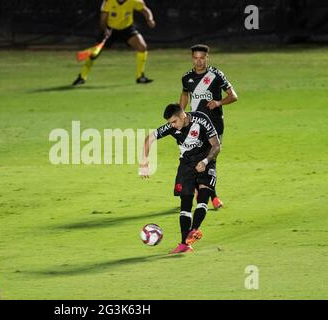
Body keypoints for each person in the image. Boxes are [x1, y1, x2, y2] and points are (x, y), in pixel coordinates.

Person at [140, 103, 221, 253]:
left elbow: (216, 145)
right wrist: (144, 161)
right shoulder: (171, 126)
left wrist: (205, 161)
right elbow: (149, 138)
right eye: (169, 122)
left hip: (206, 160)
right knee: (185, 201)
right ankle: (185, 244)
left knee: (204, 194)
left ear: (183, 115)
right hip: (186, 165)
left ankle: (195, 229)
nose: (172, 125)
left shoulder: (201, 120)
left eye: (174, 122)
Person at [178, 44, 238, 209]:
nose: (198, 62)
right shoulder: (187, 78)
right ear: (192, 58)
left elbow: (233, 96)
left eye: (202, 58)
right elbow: (184, 95)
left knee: (211, 157)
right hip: (196, 125)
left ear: (207, 58)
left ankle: (207, 193)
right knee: (198, 158)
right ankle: (213, 196)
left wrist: (218, 102)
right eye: (195, 58)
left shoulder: (216, 75)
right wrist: (180, 114)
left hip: (215, 123)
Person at [72, 0, 155, 85]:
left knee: (142, 47)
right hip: (110, 29)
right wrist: (106, 30)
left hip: (127, 29)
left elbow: (145, 10)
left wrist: (150, 19)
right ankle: (82, 77)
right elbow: (102, 20)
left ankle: (140, 77)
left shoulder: (134, 1)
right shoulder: (108, 1)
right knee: (94, 54)